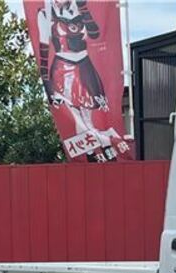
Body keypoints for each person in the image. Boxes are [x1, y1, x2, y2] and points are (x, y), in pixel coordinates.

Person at [37, 0, 118, 161]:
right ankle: (100, 151)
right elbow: (44, 47)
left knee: (87, 118)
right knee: (77, 118)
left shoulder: (79, 10)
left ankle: (99, 152)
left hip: (84, 66)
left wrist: (83, 7)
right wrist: (47, 82)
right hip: (63, 69)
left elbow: (94, 33)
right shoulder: (45, 14)